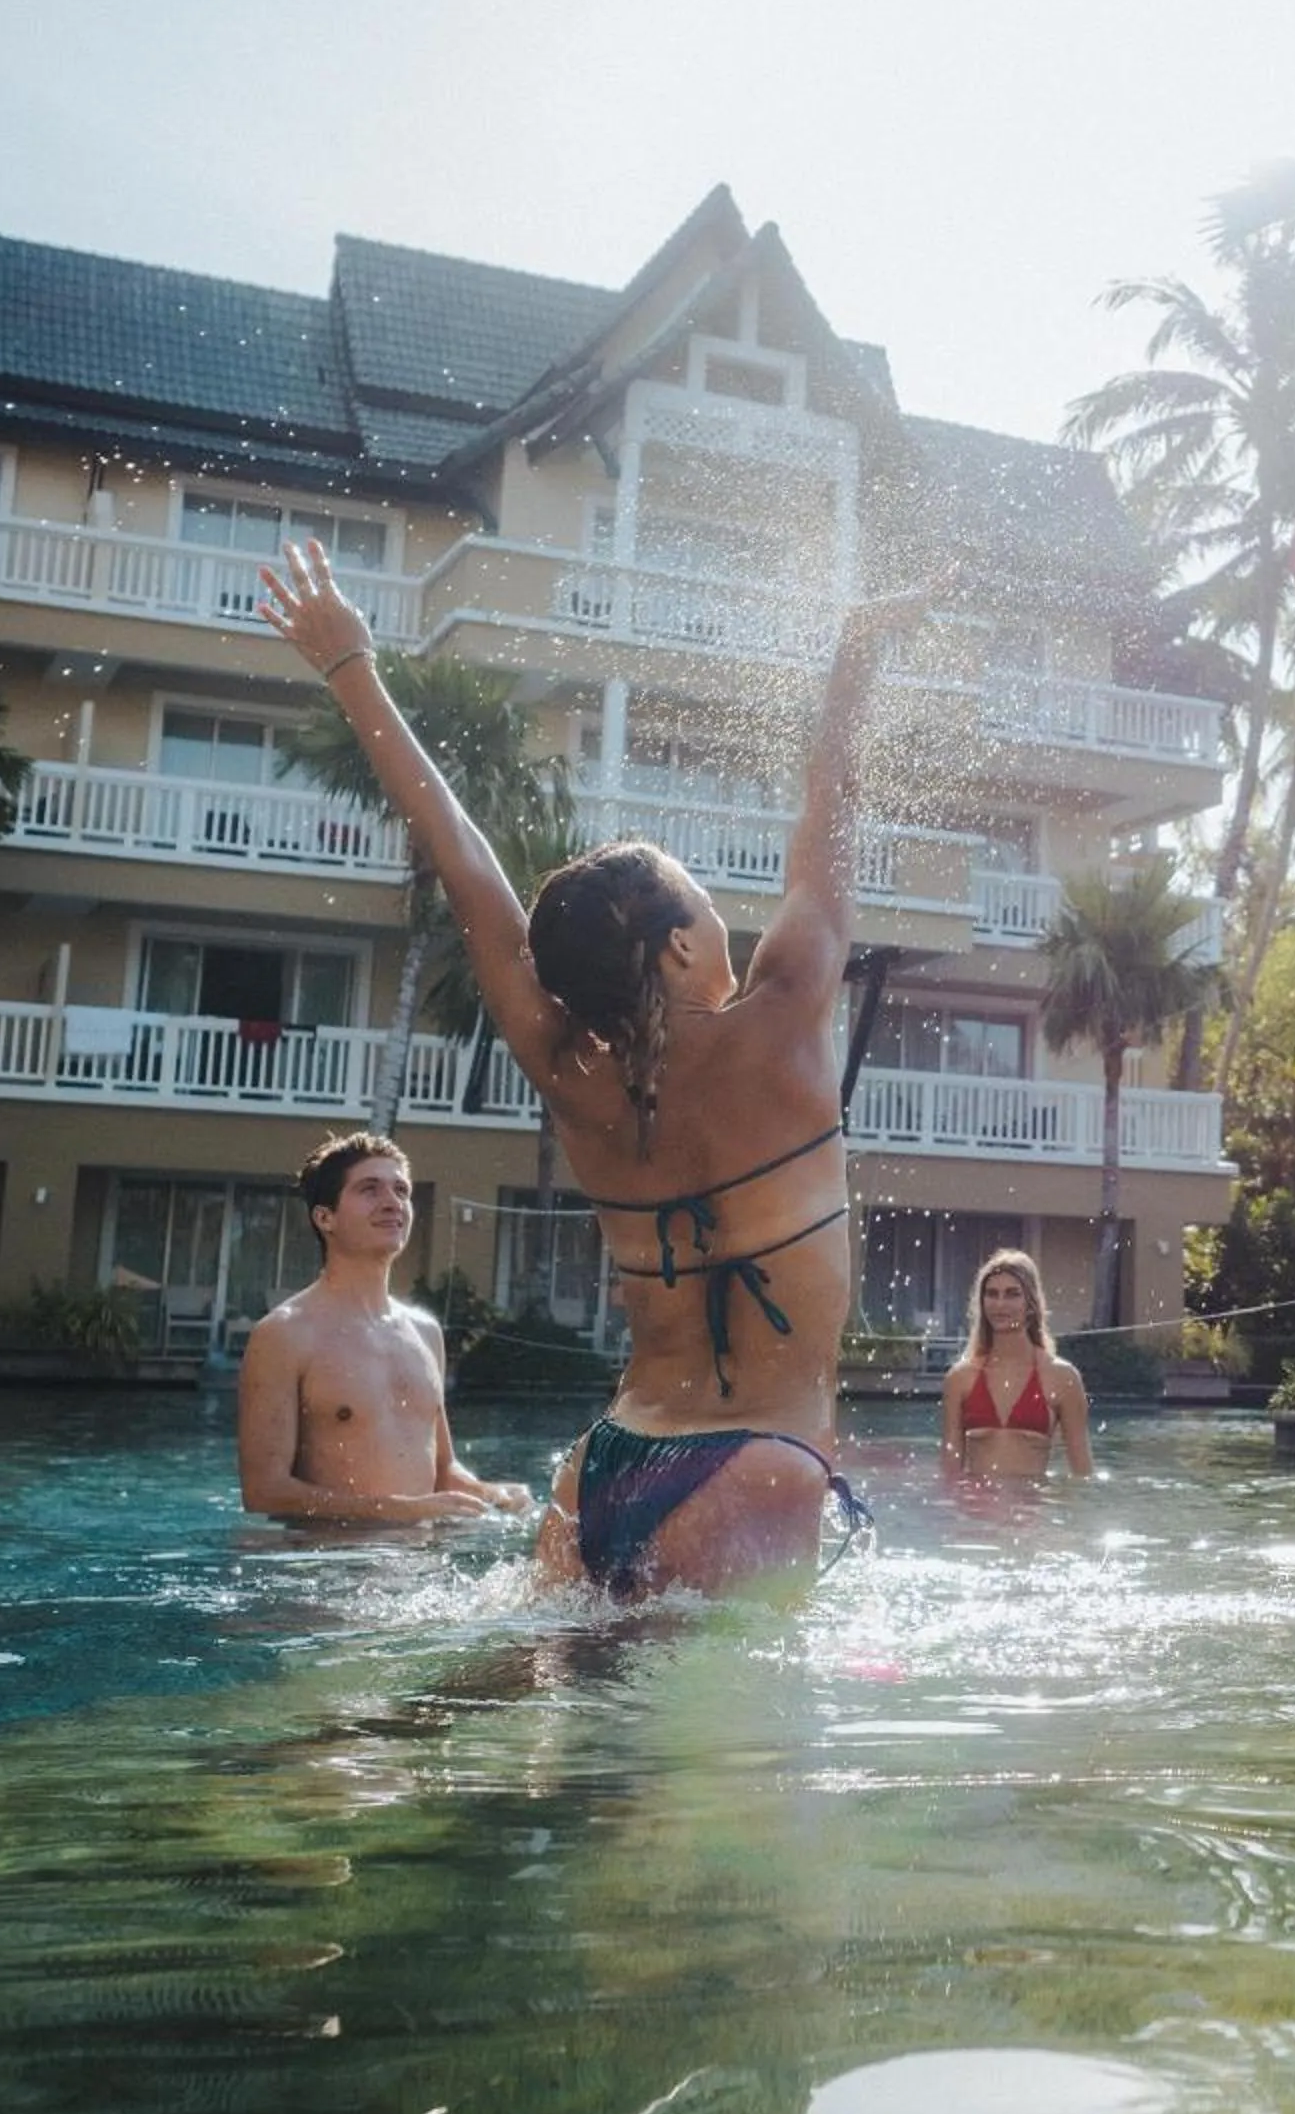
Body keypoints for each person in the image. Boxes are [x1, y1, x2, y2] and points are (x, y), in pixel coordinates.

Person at [258, 537, 916, 1599]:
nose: (723, 920)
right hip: (759, 1464)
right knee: (712, 1760)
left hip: (605, 1461)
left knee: (554, 1711)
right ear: (683, 948)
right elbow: (829, 809)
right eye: (705, 903)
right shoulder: (785, 1022)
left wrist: (351, 669)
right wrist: (851, 668)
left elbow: (466, 868)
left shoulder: (572, 1073)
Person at [237, 1131, 536, 1524]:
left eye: (401, 1190)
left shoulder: (425, 1332)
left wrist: (490, 1493)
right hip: (327, 1569)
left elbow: (444, 1470)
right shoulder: (284, 1335)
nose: (392, 1202)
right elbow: (264, 1492)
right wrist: (394, 1511)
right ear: (325, 1217)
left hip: (415, 1569)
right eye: (370, 1189)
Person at [940, 1249, 1093, 1478]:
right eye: (992, 1294)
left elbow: (1083, 1474)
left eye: (1012, 1294)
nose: (1000, 1304)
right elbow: (949, 1474)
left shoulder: (1062, 1378)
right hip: (974, 1510)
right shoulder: (960, 1378)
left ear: (1031, 1303)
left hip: (1033, 1508)